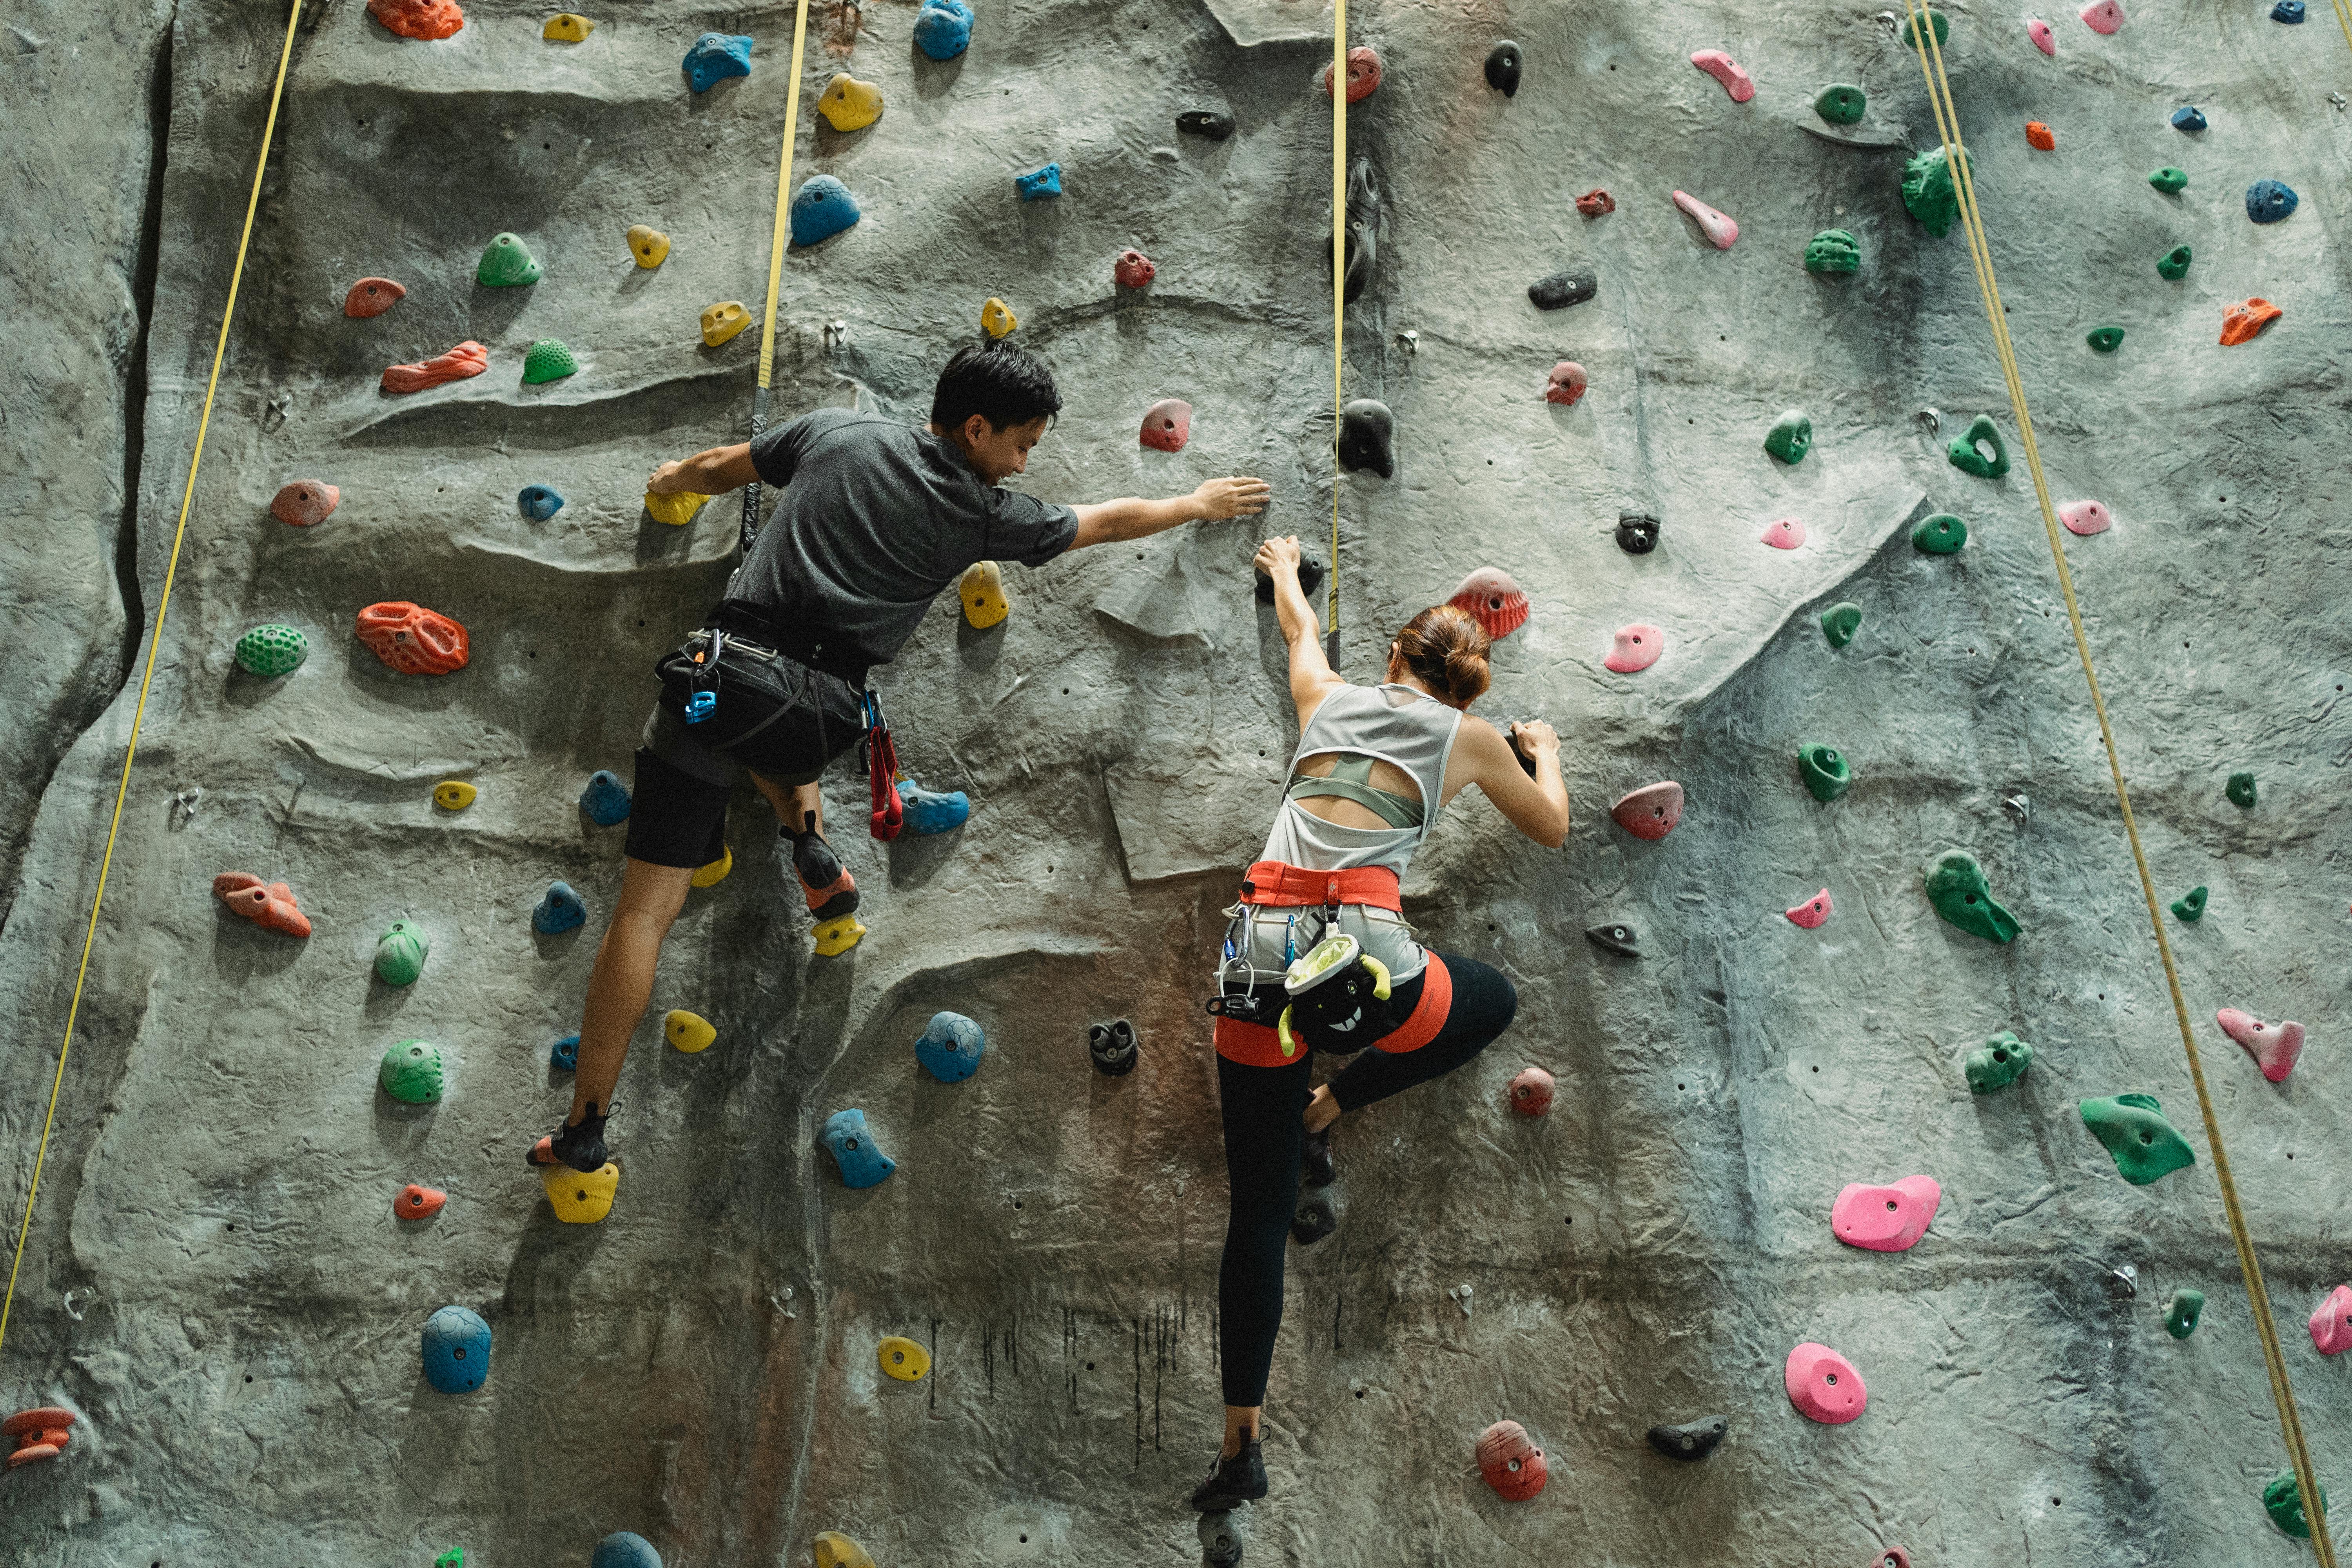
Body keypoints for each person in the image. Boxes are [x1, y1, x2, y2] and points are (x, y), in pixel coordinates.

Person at [531, 343, 1270, 1175]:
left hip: (725, 683)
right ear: (978, 427)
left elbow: (716, 467)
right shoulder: (983, 514)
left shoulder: (837, 433)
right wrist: (1196, 502)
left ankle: (586, 1123)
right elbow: (1104, 520)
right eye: (1022, 444)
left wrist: (670, 482)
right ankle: (806, 831)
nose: (1024, 462)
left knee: (642, 915)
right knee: (796, 713)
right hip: (821, 717)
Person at [1188, 534, 1570, 1512]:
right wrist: (1547, 754)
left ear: (1395, 658)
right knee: (1487, 1002)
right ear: (1465, 689)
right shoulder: (1473, 739)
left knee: (1259, 1214)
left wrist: (1280, 570)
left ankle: (1242, 1443)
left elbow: (1302, 631)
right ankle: (1336, 1103)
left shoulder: (1327, 697)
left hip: (1261, 955)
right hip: (1373, 962)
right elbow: (1554, 825)